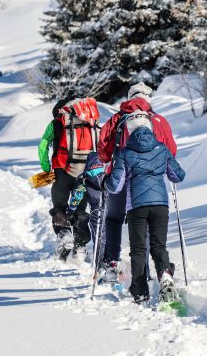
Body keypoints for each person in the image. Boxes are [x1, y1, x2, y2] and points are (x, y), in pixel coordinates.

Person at [97, 82, 177, 282]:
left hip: (121, 178)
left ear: (129, 98)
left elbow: (104, 152)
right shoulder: (158, 120)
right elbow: (171, 151)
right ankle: (150, 272)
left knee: (114, 218)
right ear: (148, 99)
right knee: (149, 226)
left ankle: (112, 264)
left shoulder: (117, 119)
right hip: (151, 183)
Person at [106, 125, 185, 304]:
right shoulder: (162, 149)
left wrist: (106, 182)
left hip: (136, 207)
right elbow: (178, 176)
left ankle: (140, 292)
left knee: (139, 250)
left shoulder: (125, 153)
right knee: (158, 246)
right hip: (160, 205)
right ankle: (165, 274)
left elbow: (115, 185)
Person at [38, 98, 100, 260]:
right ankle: (80, 245)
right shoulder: (88, 122)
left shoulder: (56, 123)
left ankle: (64, 235)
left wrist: (46, 168)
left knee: (59, 207)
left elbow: (43, 145)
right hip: (83, 172)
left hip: (61, 172)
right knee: (79, 209)